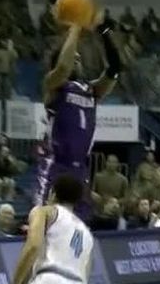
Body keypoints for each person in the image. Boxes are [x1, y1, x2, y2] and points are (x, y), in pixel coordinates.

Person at [34, 12, 121, 217]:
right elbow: (63, 67)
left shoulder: (92, 91)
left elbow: (114, 69)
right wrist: (75, 27)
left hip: (80, 169)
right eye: (75, 57)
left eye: (79, 59)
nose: (77, 61)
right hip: (55, 166)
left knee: (78, 230)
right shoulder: (54, 85)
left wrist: (104, 31)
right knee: (44, 224)